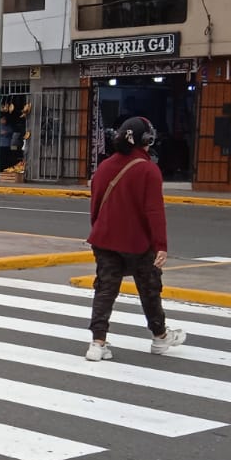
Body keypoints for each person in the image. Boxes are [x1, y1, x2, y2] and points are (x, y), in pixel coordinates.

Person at [84, 116, 185, 362]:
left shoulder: (104, 167)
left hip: (105, 239)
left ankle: (97, 343)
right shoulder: (148, 169)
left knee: (105, 289)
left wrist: (100, 229)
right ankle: (159, 336)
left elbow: (95, 205)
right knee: (149, 289)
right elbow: (154, 211)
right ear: (146, 140)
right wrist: (160, 244)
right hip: (138, 243)